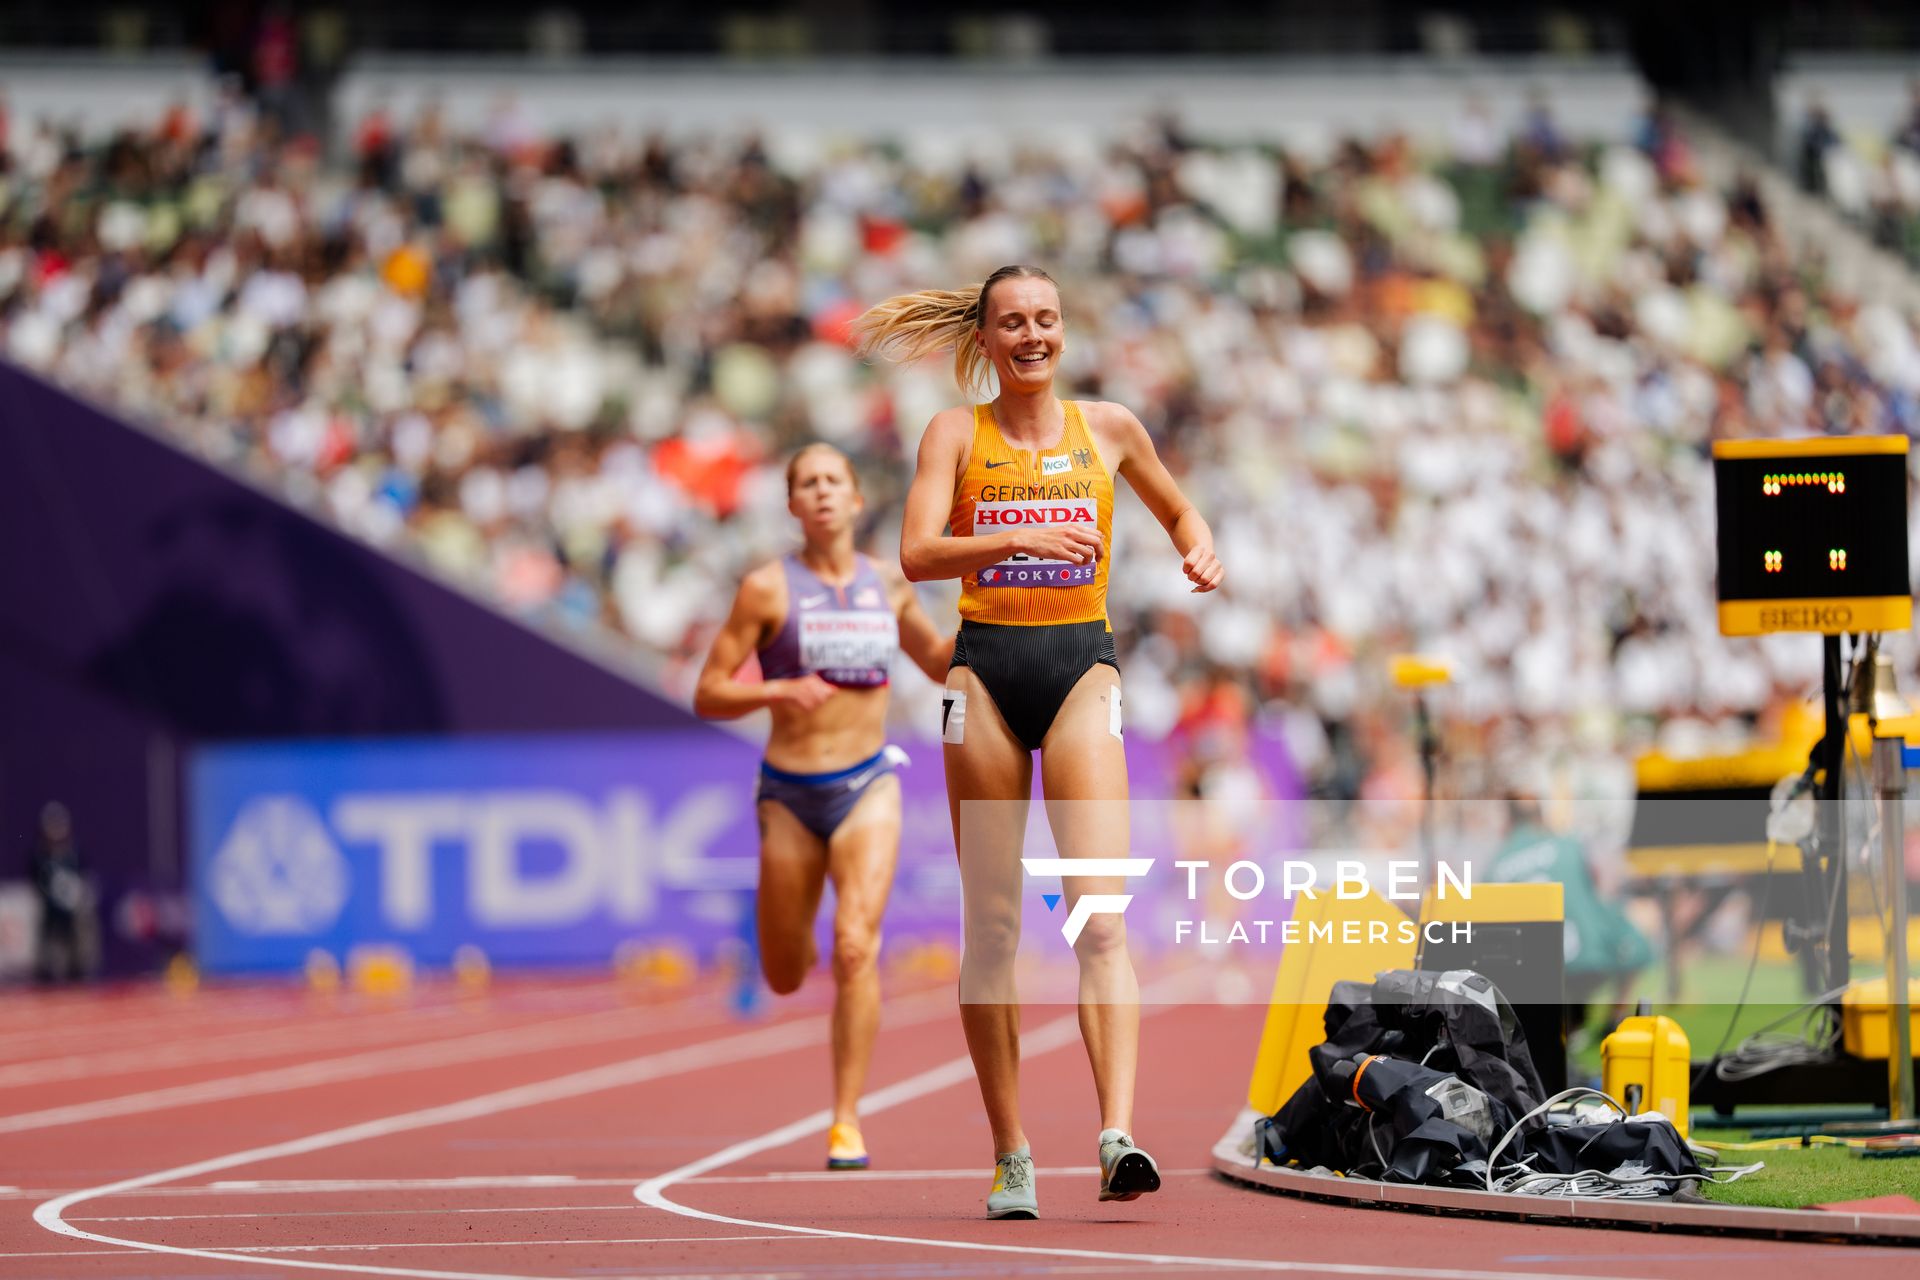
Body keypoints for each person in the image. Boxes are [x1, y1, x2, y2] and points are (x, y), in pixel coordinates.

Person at [857, 264, 1223, 1219]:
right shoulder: (954, 432)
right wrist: (1013, 546)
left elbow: (1178, 507)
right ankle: (1011, 1152)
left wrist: (1198, 543)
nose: (1033, 336)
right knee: (995, 930)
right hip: (981, 674)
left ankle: (1117, 1138)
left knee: (1099, 916)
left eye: (1047, 320)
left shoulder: (1109, 429)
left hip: (1080, 671)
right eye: (1013, 323)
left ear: (1065, 330)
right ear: (985, 341)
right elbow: (916, 552)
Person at [694, 442, 952, 1171]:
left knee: (855, 946)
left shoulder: (890, 588)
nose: (823, 492)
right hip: (788, 794)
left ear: (856, 498)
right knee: (782, 971)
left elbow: (937, 662)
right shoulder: (767, 589)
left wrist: (1003, 611)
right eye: (807, 483)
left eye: (834, 479)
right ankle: (789, 942)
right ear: (793, 506)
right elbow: (709, 692)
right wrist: (775, 689)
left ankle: (846, 1119)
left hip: (868, 783)